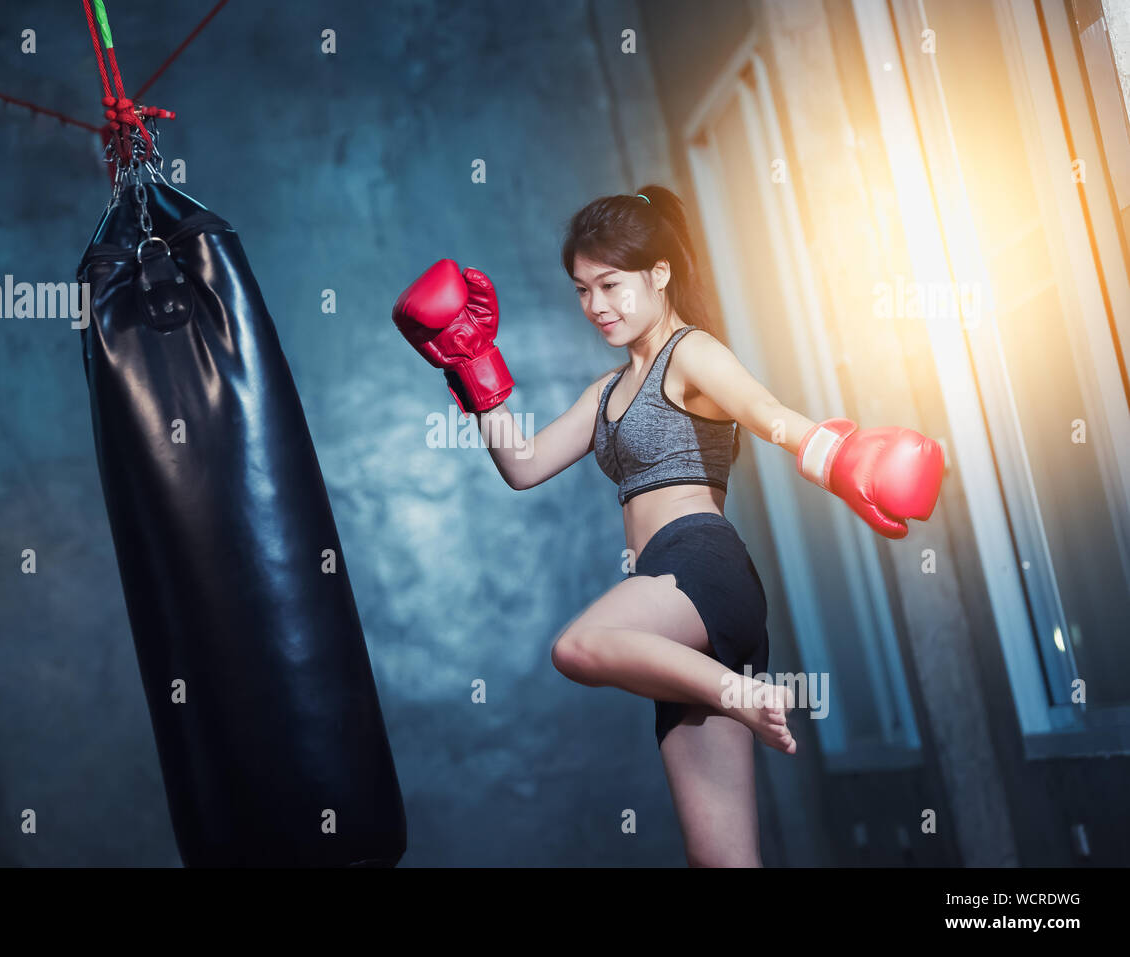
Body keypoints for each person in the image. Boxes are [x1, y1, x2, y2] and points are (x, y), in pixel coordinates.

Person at [391, 185, 943, 867]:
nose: (597, 305)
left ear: (659, 274)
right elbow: (524, 465)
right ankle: (735, 692)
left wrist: (842, 456)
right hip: (678, 617)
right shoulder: (606, 391)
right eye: (583, 289)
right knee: (723, 862)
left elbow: (766, 411)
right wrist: (474, 364)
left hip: (702, 570)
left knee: (582, 643)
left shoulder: (693, 353)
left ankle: (742, 693)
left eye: (612, 284)